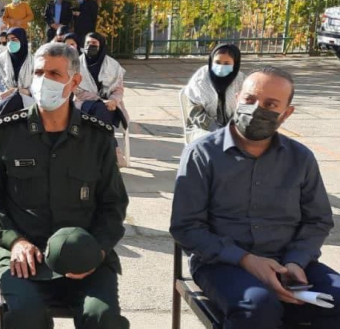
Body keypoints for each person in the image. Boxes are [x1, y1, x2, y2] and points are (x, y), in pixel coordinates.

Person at [0, 42, 130, 329]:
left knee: (103, 318)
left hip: (86, 255)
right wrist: (14, 241)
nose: (44, 81)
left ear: (75, 82)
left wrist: (98, 251)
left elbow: (114, 205)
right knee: (25, 317)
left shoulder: (97, 137)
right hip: (26, 258)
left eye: (54, 74)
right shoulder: (6, 132)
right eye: (38, 73)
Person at [170, 66, 340, 329]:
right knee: (258, 308)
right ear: (237, 98)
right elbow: (186, 227)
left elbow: (318, 220)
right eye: (250, 99)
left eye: (270, 104)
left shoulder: (300, 158)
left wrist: (296, 261)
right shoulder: (202, 154)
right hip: (222, 263)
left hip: (288, 261)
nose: (256, 109)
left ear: (286, 113)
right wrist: (246, 260)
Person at [74, 32, 130, 166]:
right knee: (101, 109)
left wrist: (113, 100)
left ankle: (99, 153)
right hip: (84, 103)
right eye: (87, 43)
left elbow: (119, 90)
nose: (90, 46)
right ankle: (113, 150)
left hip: (111, 105)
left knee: (102, 110)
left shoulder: (113, 65)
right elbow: (77, 91)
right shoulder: (77, 65)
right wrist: (100, 100)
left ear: (101, 45)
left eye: (94, 43)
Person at [183, 43, 245, 144]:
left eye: (227, 63)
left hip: (234, 128)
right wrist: (217, 130)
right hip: (202, 128)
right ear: (211, 61)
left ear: (235, 63)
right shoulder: (200, 79)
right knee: (216, 142)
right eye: (217, 62)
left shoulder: (240, 80)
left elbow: (244, 109)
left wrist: (232, 128)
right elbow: (195, 114)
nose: (221, 66)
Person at [0, 28, 35, 115]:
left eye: (14, 40)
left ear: (22, 40)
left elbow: (39, 85)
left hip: (27, 102)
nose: (10, 43)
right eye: (8, 40)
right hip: (4, 101)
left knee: (17, 99)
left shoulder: (34, 62)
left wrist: (28, 91)